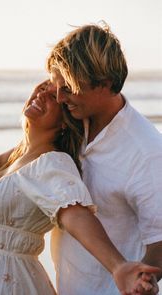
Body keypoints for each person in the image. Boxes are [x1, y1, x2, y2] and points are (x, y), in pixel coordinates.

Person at [0, 82, 160, 295]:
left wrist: (118, 266)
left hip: (14, 283)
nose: (41, 94)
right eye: (42, 87)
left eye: (52, 97)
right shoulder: (21, 156)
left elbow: (75, 214)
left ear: (64, 121)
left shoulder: (51, 163)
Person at [46, 22, 162, 295]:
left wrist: (136, 281)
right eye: (57, 87)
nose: (61, 98)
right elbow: (15, 158)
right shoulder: (73, 124)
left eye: (70, 88)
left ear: (106, 83)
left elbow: (160, 240)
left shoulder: (146, 153)